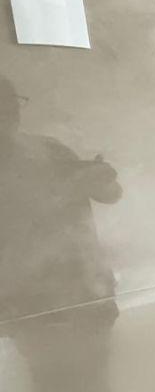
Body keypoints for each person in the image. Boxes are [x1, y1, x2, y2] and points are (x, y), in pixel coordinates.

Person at [0, 74, 122, 323]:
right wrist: (68, 189)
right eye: (4, 108)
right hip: (26, 307)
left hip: (89, 294)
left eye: (13, 105)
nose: (11, 115)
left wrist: (101, 179)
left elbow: (111, 194)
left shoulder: (49, 149)